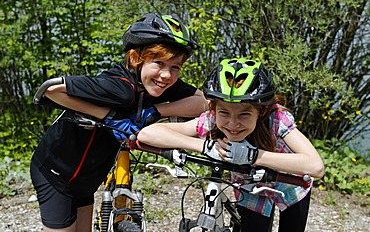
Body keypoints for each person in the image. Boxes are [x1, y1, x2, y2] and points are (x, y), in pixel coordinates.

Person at [30, 13, 208, 232]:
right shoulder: (120, 87)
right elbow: (49, 91)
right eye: (159, 63)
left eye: (175, 67)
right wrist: (109, 116)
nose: (166, 75)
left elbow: (204, 102)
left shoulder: (159, 85)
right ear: (136, 59)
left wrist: (156, 111)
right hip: (57, 172)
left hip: (86, 178)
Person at [137, 57, 325, 232]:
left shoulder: (276, 119)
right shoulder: (213, 119)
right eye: (224, 113)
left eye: (244, 114)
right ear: (214, 109)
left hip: (290, 183)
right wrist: (204, 146)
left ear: (260, 111)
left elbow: (315, 167)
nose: (233, 123)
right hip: (250, 187)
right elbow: (147, 134)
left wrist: (254, 155)